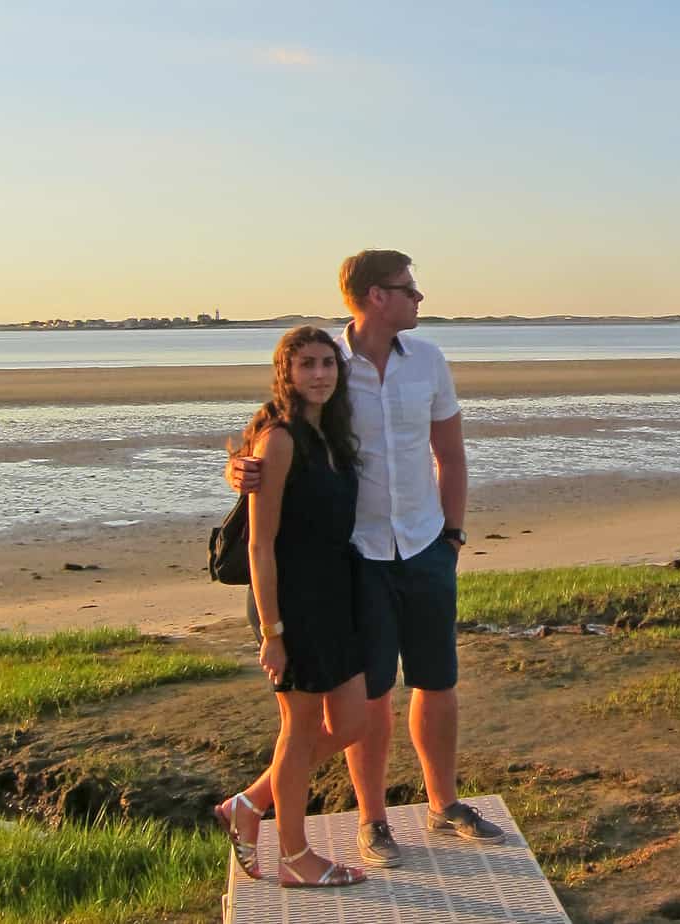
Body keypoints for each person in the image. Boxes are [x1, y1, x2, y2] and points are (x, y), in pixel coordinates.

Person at [229, 249, 503, 870]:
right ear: (376, 296)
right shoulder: (327, 364)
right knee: (371, 696)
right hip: (359, 558)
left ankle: (444, 805)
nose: (419, 300)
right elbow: (276, 432)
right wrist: (238, 467)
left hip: (428, 545)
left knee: (438, 681)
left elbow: (451, 456)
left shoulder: (429, 360)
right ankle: (373, 823)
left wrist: (453, 536)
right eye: (410, 289)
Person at [213, 326, 369, 888]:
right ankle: (295, 855)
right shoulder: (278, 440)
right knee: (299, 730)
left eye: (328, 363)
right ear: (287, 373)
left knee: (352, 720)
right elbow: (259, 544)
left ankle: (248, 805)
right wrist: (273, 632)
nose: (320, 374)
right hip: (291, 600)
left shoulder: (332, 436)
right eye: (307, 364)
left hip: (335, 593)